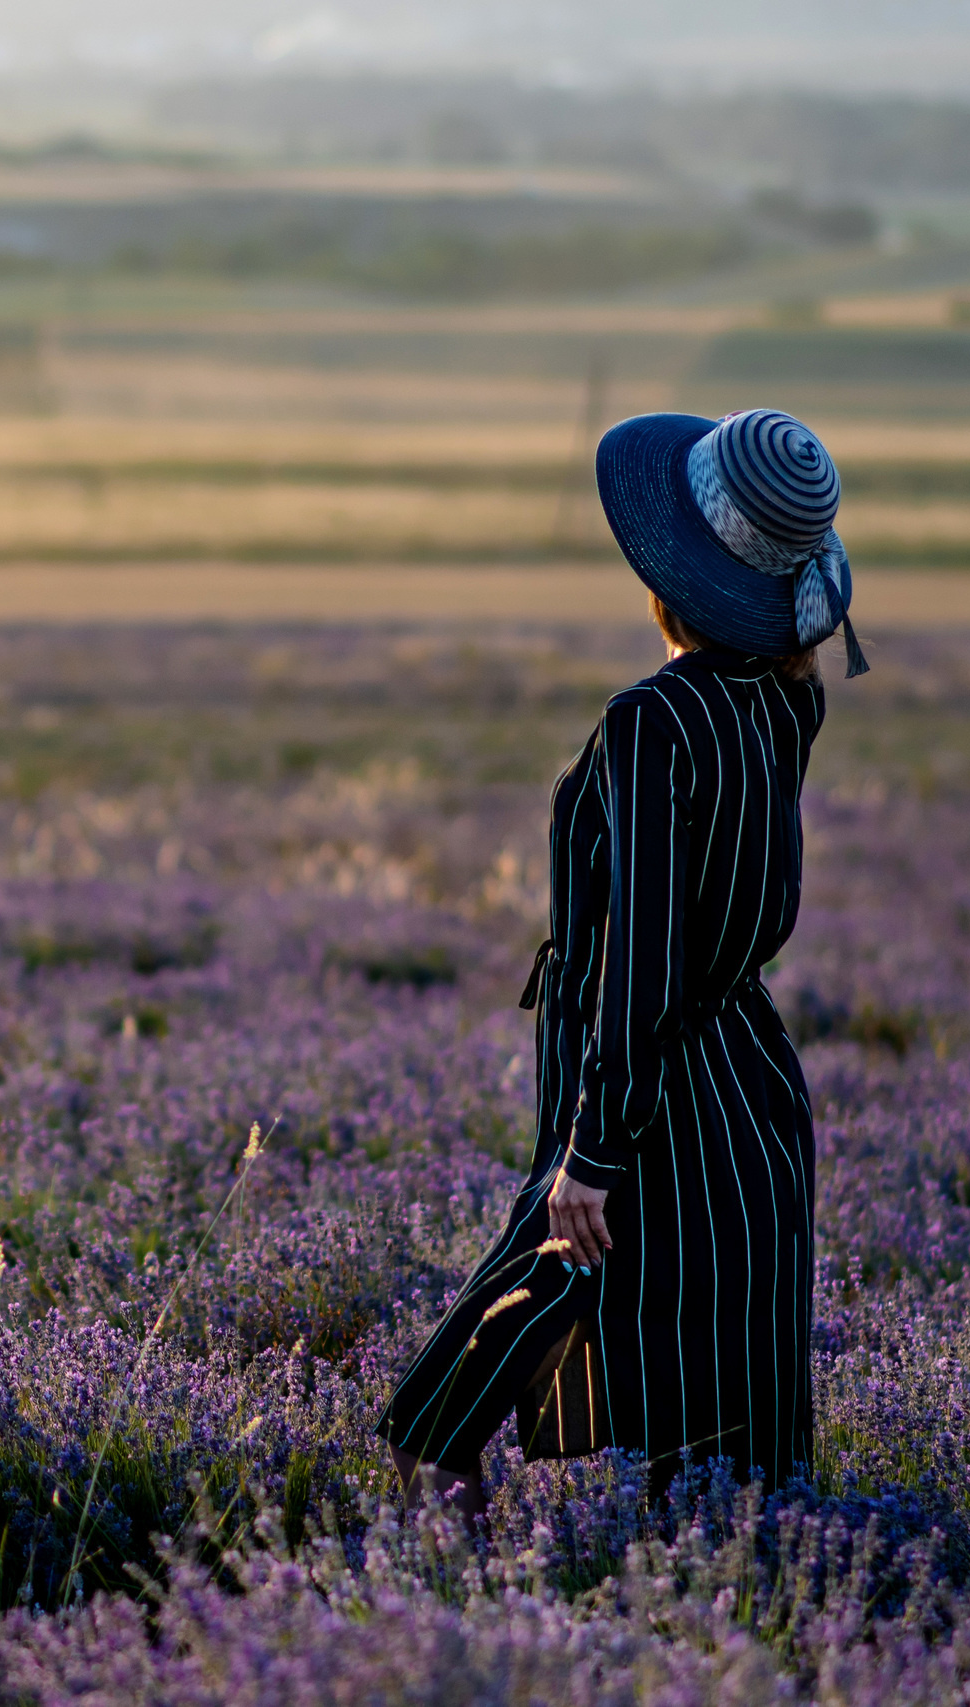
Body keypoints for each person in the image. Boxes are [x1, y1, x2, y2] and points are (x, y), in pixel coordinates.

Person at [376, 408, 868, 1516]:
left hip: (649, 1086)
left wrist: (594, 1145)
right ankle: (702, 1578)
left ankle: (448, 1548)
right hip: (748, 1082)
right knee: (711, 1373)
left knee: (511, 1324)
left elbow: (643, 947)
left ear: (670, 574)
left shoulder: (651, 720)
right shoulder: (790, 699)